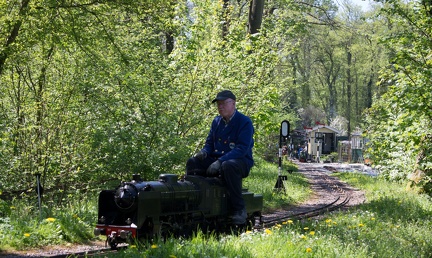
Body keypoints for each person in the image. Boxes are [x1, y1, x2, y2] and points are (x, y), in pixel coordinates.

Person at [186, 90, 254, 225]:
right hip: (217, 160)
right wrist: (204, 152)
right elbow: (210, 143)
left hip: (240, 162)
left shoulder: (244, 122)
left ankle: (239, 210)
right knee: (193, 162)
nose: (220, 107)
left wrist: (220, 161)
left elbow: (241, 149)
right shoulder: (217, 121)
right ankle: (196, 202)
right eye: (218, 104)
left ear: (233, 103)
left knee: (228, 165)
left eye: (223, 103)